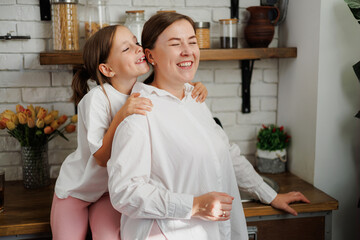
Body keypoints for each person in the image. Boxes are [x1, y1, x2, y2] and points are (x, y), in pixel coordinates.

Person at [107, 12, 310, 240]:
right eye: (175, 43)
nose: (187, 51)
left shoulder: (194, 98)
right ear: (150, 55)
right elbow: (125, 192)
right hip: (167, 233)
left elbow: (225, 153)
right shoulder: (141, 110)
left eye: (192, 42)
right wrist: (193, 205)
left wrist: (269, 195)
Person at [50, 24, 208, 240]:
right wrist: (121, 115)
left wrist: (196, 87)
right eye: (126, 48)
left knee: (108, 236)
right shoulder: (96, 99)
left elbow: (174, 90)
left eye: (136, 42)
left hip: (108, 193)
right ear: (107, 69)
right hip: (76, 191)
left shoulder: (141, 91)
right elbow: (101, 158)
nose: (138, 49)